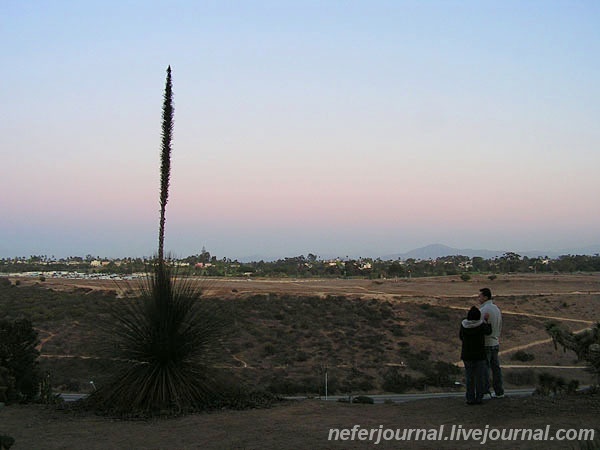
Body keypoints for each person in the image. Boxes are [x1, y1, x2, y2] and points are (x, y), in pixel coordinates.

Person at [460, 306, 492, 404]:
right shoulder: (481, 325)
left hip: (467, 354)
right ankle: (479, 398)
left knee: (469, 378)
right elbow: (489, 332)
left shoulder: (464, 325)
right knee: (479, 378)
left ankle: (470, 398)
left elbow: (461, 337)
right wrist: (486, 320)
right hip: (479, 355)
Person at [478, 287, 505, 398]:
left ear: (485, 297)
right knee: (496, 368)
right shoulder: (496, 309)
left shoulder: (483, 310)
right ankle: (499, 391)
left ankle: (485, 391)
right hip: (495, 341)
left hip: (486, 343)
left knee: (485, 368)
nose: (478, 298)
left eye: (480, 296)